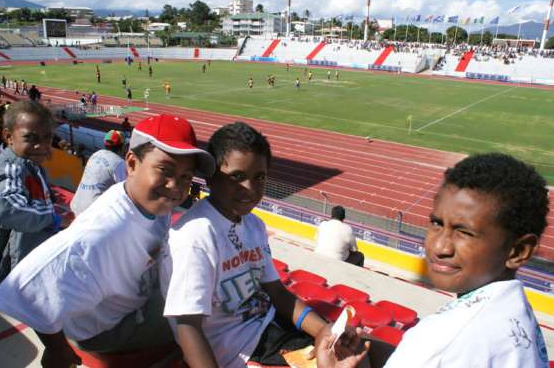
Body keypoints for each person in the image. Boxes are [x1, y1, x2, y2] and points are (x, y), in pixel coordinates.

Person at [0, 114, 216, 368]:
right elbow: (25, 292)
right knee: (208, 308)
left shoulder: (151, 204)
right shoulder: (101, 231)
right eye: (165, 170)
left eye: (186, 177)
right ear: (131, 163)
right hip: (109, 328)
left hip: (125, 302)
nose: (175, 186)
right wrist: (57, 351)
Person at [316, 153, 550, 368]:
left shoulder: (442, 338)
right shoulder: (517, 311)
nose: (440, 246)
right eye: (437, 224)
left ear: (518, 251)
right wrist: (370, 343)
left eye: (465, 232)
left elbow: (436, 352)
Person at [162, 122, 331, 368]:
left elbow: (276, 291)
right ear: (211, 178)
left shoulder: (254, 225)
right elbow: (188, 325)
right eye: (237, 177)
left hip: (272, 327)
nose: (249, 189)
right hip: (241, 351)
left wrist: (324, 331)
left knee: (366, 348)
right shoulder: (196, 237)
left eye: (259, 177)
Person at [0, 101, 60, 287]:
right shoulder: (11, 167)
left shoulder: (33, 166)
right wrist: (51, 218)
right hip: (11, 270)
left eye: (47, 138)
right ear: (8, 137)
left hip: (29, 260)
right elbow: (7, 207)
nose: (41, 146)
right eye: (30, 138)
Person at [70, 130, 127, 216]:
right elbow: (126, 192)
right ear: (122, 147)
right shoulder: (119, 163)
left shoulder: (95, 155)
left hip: (75, 206)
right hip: (92, 213)